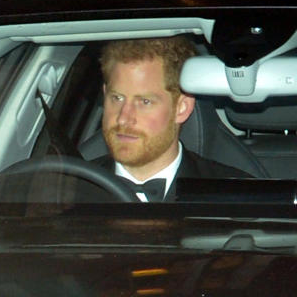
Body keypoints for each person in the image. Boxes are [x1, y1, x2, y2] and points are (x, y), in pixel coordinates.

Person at [94, 37, 249, 201]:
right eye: (117, 98)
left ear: (182, 107)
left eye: (145, 102)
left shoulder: (232, 195)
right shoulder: (70, 189)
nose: (124, 119)